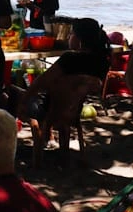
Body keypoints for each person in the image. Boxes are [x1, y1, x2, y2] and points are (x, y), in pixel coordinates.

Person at [14, 18, 111, 151]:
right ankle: (51, 140)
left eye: (71, 34)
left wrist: (23, 100)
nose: (69, 37)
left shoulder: (70, 59)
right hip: (73, 111)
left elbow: (40, 82)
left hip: (46, 111)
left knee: (9, 92)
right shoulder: (102, 61)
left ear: (80, 40)